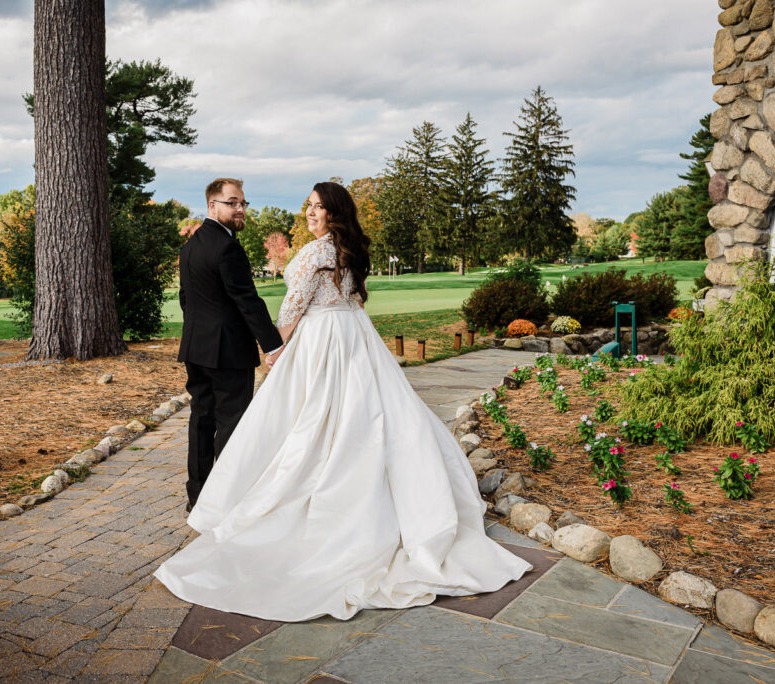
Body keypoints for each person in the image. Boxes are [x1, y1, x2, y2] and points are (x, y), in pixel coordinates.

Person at [156, 181, 531, 621]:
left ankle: (213, 495)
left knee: (288, 425)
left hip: (309, 344)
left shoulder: (301, 253)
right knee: (355, 419)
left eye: (317, 208)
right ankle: (220, 496)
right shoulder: (349, 249)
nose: (310, 213)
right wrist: (274, 347)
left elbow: (290, 309)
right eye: (309, 206)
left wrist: (278, 349)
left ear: (333, 213)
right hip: (353, 339)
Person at [177, 178, 284, 513]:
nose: (240, 209)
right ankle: (222, 501)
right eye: (232, 202)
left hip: (196, 348)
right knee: (232, 424)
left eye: (243, 203)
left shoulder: (191, 245)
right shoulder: (228, 247)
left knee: (201, 420)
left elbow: (186, 299)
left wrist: (201, 333)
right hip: (227, 352)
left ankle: (198, 497)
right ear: (213, 206)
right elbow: (247, 301)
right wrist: (273, 345)